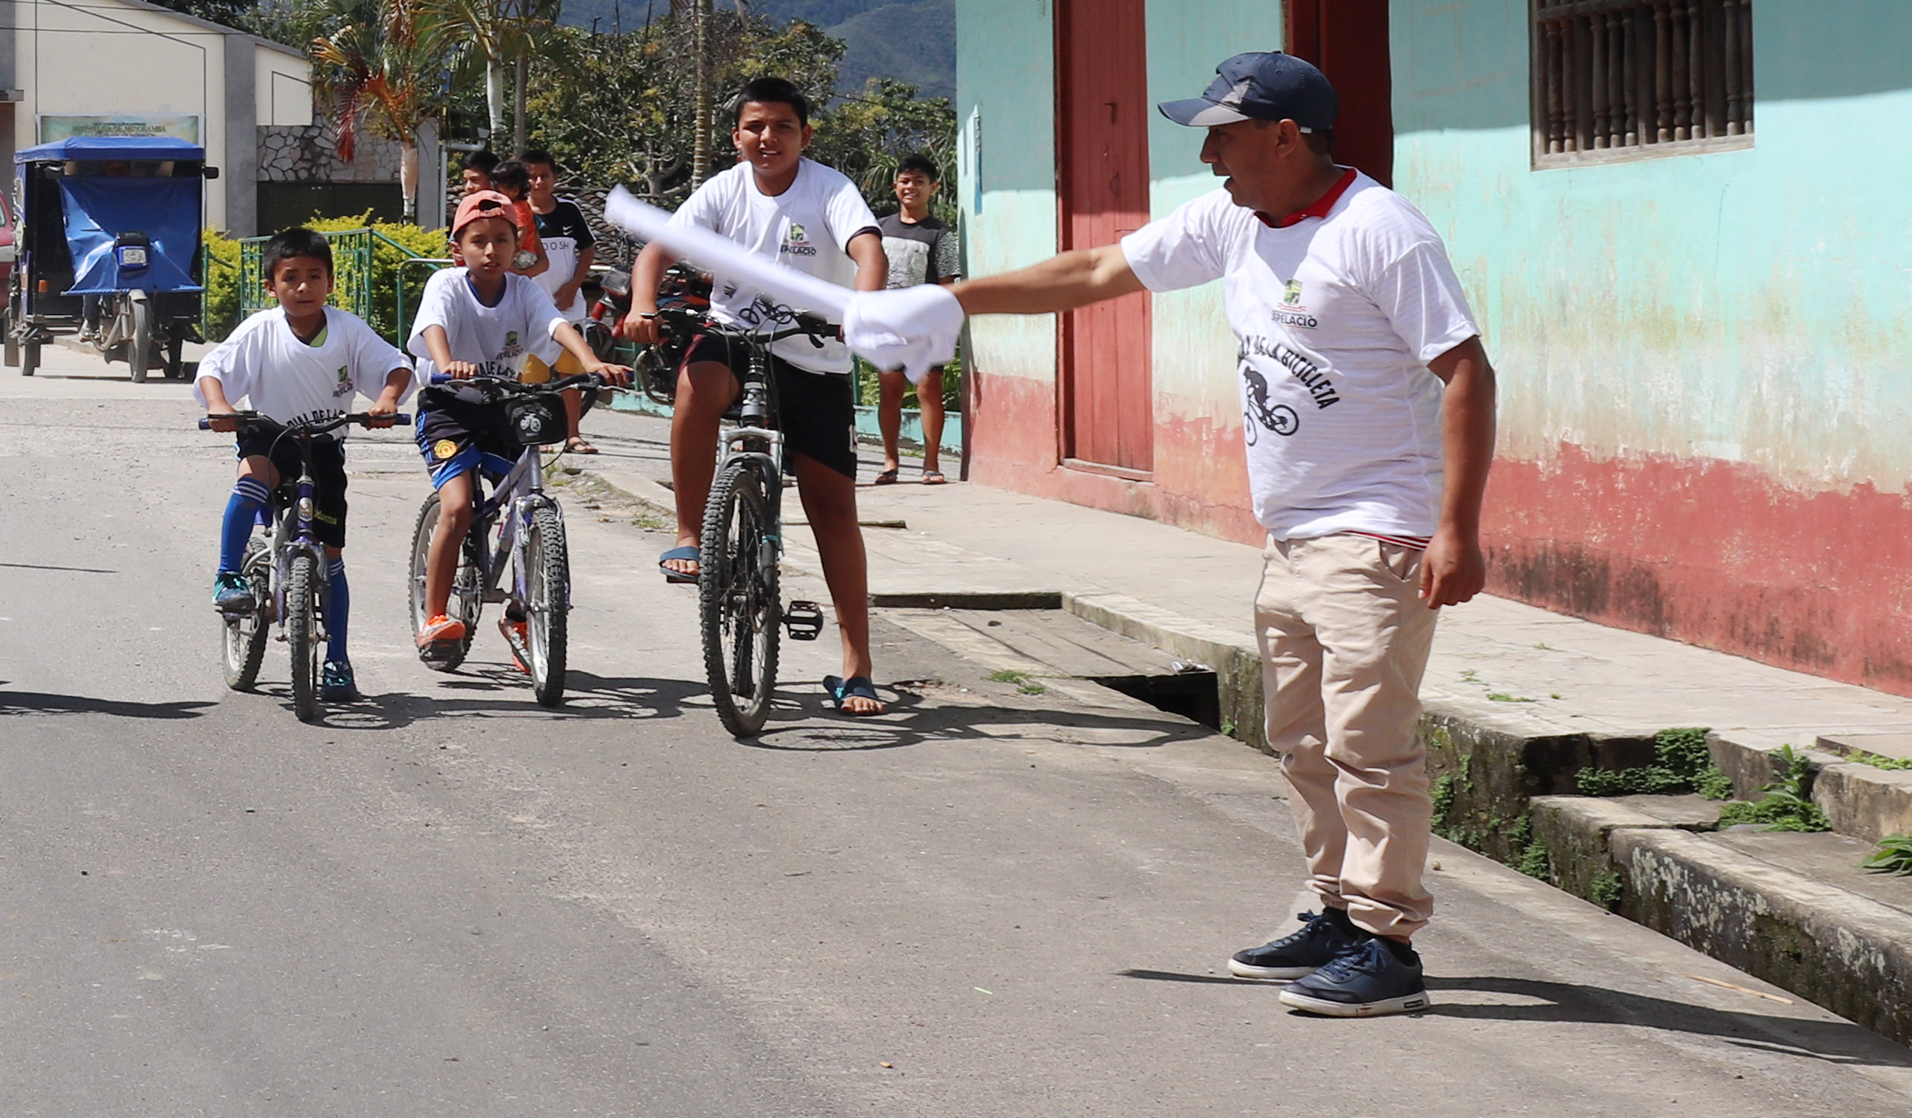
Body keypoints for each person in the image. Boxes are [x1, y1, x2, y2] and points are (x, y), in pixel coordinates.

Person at [947, 53, 1493, 1018]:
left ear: (1287, 136)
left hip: (1378, 535)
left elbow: (1467, 374)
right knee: (1302, 741)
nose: (1207, 156)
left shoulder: (1381, 232)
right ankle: (1333, 910)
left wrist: (1456, 530)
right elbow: (1095, 269)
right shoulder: (1237, 221)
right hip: (1292, 538)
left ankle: (1387, 942)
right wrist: (953, 299)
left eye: (1222, 134)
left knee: (1372, 746)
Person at [620, 78, 896, 718]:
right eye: (754, 127)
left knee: (834, 513)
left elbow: (867, 249)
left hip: (812, 353)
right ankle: (690, 533)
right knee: (697, 384)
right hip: (735, 339)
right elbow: (659, 249)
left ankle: (857, 665)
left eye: (782, 127)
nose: (766, 139)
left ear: (804, 135)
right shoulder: (722, 189)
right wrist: (641, 305)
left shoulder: (829, 189)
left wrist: (865, 306)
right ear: (737, 134)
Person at [195, 224, 411, 701]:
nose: (303, 287)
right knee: (252, 482)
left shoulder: (349, 329)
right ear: (271, 286)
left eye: (315, 276)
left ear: (331, 282)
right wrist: (220, 407)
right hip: (269, 434)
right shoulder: (260, 329)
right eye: (290, 277)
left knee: (331, 558)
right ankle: (228, 572)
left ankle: (337, 660)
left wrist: (387, 399)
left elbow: (395, 366)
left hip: (323, 446)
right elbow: (214, 369)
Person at [410, 196, 594, 671]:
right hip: (450, 407)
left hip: (504, 407)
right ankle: (433, 616)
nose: (491, 250)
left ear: (518, 248)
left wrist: (591, 364)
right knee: (457, 506)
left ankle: (521, 615)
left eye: (502, 241)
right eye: (479, 241)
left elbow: (556, 326)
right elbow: (432, 326)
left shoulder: (523, 289)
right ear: (458, 249)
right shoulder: (445, 284)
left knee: (528, 503)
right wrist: (447, 362)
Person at [872, 151, 961, 485]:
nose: (912, 187)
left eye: (919, 182)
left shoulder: (941, 234)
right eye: (906, 181)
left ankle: (931, 464)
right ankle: (890, 461)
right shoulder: (878, 229)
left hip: (925, 326)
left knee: (928, 390)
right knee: (890, 392)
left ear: (933, 187)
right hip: (887, 325)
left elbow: (948, 284)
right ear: (896, 185)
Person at [515, 145, 601, 454]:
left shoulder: (569, 211)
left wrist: (572, 285)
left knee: (571, 373)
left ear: (554, 177)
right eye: (532, 177)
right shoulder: (516, 213)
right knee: (531, 374)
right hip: (529, 309)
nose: (539, 183)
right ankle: (536, 434)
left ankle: (573, 434)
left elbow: (587, 249)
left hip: (568, 308)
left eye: (545, 176)